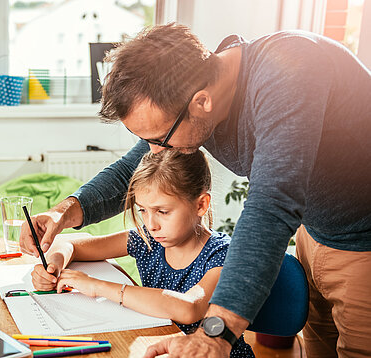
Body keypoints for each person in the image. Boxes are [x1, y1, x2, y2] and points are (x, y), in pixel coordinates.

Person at [20, 23, 371, 358]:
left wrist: (217, 333)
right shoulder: (203, 92)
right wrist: (63, 212)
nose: (155, 152)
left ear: (202, 102)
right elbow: (133, 168)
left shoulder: (290, 71)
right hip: (318, 230)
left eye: (159, 139)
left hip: (364, 241)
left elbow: (272, 205)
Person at [31, 150, 255, 357]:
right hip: (161, 349)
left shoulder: (222, 253)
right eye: (143, 210)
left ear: (201, 205)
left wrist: (96, 286)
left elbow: (189, 308)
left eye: (162, 211)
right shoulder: (148, 239)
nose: (151, 224)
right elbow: (70, 243)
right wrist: (54, 264)